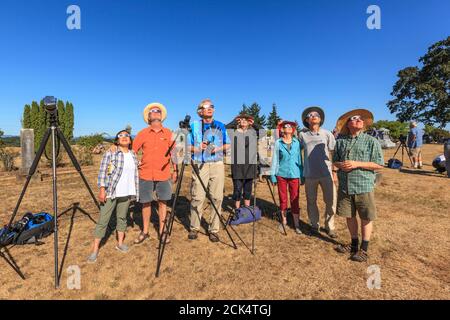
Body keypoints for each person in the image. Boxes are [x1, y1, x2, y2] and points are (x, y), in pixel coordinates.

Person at [333, 109, 384, 262]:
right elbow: (335, 160)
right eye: (353, 119)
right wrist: (341, 165)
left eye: (360, 119)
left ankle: (364, 248)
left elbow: (379, 164)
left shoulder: (371, 141)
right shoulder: (340, 142)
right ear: (348, 124)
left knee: (366, 217)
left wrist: (356, 164)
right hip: (345, 185)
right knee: (349, 215)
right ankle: (354, 244)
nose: (358, 120)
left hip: (363, 185)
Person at [87, 130, 139, 263]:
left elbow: (137, 170)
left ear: (130, 140)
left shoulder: (133, 155)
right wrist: (102, 189)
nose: (124, 137)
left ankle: (120, 243)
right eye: (120, 136)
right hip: (111, 191)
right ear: (116, 140)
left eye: (127, 135)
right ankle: (95, 250)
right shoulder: (111, 152)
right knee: (103, 220)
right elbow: (103, 172)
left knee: (122, 218)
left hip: (126, 193)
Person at [132, 103, 178, 245]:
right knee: (146, 203)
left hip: (163, 174)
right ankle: (145, 231)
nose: (156, 112)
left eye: (158, 111)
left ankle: (162, 231)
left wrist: (175, 170)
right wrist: (136, 162)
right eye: (152, 111)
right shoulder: (142, 133)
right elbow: (132, 151)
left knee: (163, 202)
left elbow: (174, 154)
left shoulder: (169, 133)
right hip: (145, 173)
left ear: (161, 116)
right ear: (148, 116)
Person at [188, 98, 230, 243]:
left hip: (217, 164)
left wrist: (217, 149)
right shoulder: (193, 126)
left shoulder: (220, 125)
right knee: (198, 196)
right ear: (200, 111)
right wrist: (198, 148)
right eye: (205, 107)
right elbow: (186, 146)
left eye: (211, 106)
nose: (209, 108)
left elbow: (228, 144)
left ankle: (214, 230)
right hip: (200, 163)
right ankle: (194, 227)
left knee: (217, 198)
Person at [299, 106, 337, 238]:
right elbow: (294, 150)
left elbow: (334, 153)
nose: (313, 116)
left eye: (316, 115)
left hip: (326, 174)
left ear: (320, 120)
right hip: (310, 174)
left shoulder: (327, 134)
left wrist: (335, 172)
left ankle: (330, 226)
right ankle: (314, 225)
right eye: (310, 115)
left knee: (331, 201)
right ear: (307, 120)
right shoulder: (302, 135)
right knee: (311, 201)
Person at [270, 120, 304, 234]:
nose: (289, 127)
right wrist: (273, 175)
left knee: (295, 198)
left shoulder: (297, 143)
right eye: (286, 126)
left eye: (291, 126)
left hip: (294, 174)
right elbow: (275, 159)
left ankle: (296, 224)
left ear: (293, 130)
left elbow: (300, 159)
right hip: (281, 174)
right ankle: (284, 221)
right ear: (282, 130)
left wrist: (302, 174)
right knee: (283, 198)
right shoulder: (278, 143)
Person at [230, 113, 258, 210]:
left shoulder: (253, 132)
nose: (243, 121)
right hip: (237, 165)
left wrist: (254, 123)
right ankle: (237, 210)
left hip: (250, 165)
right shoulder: (233, 132)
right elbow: (224, 128)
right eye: (241, 119)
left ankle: (247, 209)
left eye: (246, 120)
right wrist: (234, 121)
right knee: (237, 188)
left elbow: (265, 132)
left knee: (248, 188)